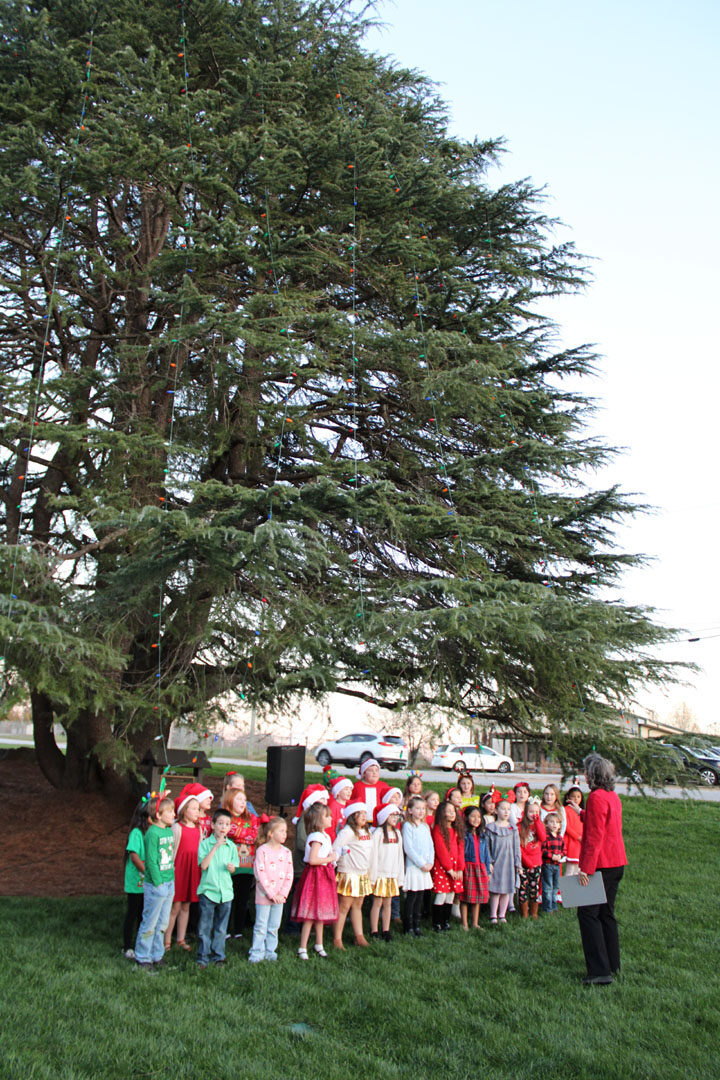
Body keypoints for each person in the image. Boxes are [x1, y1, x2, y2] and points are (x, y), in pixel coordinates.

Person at [577, 753, 627, 986]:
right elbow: (605, 824)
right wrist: (582, 814)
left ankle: (599, 971)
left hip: (601, 864)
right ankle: (612, 964)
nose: (584, 776)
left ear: (593, 775)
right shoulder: (612, 796)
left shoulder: (596, 797)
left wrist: (585, 868)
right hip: (617, 862)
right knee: (606, 913)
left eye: (587, 772)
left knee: (588, 914)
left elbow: (595, 837)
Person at [291, 802, 338, 959]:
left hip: (324, 875)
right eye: (327, 816)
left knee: (321, 912)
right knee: (311, 913)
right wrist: (330, 858)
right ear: (319, 819)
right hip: (316, 875)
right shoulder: (316, 837)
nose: (331, 818)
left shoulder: (325, 835)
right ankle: (302, 947)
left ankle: (319, 943)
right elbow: (313, 859)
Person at [134, 796, 176, 971]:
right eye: (170, 811)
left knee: (162, 923)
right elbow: (150, 861)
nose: (174, 814)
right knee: (150, 922)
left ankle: (156, 955)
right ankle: (143, 957)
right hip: (156, 885)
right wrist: (158, 883)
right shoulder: (152, 833)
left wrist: (170, 879)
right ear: (158, 815)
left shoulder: (168, 831)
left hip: (168, 883)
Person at [196, 808, 239, 968]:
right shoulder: (205, 844)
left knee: (221, 927)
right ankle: (202, 957)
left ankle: (219, 955)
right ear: (213, 825)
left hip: (226, 892)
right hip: (209, 891)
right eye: (220, 823)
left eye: (227, 824)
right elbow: (204, 865)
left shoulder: (232, 847)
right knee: (204, 927)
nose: (223, 827)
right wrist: (215, 847)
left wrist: (231, 868)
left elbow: (234, 867)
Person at [249, 815, 293, 963]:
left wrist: (282, 894)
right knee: (261, 925)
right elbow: (260, 874)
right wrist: (271, 893)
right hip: (264, 895)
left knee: (274, 925)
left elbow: (289, 875)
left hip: (279, 897)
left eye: (285, 831)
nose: (284, 834)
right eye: (281, 831)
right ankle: (257, 952)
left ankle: (270, 950)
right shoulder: (262, 851)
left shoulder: (287, 853)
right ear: (270, 833)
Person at [332, 802, 373, 948]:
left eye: (364, 813)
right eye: (359, 814)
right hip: (349, 873)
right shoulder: (348, 831)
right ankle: (337, 939)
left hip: (362, 873)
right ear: (352, 816)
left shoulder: (366, 832)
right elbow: (335, 848)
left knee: (358, 905)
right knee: (344, 906)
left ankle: (359, 936)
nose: (363, 816)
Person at [164, 793, 202, 951]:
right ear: (184, 810)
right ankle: (166, 940)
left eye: (198, 809)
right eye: (193, 808)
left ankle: (181, 938)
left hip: (192, 869)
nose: (196, 811)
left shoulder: (199, 829)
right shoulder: (177, 828)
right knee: (175, 906)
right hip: (179, 869)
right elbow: (172, 851)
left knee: (186, 906)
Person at [224, 787, 259, 938]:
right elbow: (231, 832)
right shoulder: (226, 818)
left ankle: (238, 930)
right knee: (228, 899)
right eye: (239, 799)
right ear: (230, 800)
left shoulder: (251, 818)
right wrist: (245, 834)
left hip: (247, 866)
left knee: (242, 899)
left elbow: (255, 835)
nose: (242, 802)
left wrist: (242, 835)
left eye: (244, 800)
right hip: (230, 865)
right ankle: (224, 929)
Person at [368, 805, 404, 941]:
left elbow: (400, 856)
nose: (395, 818)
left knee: (388, 903)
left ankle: (386, 929)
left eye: (397, 815)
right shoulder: (377, 834)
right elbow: (373, 856)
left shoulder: (397, 834)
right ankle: (374, 930)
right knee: (377, 903)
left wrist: (400, 877)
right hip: (380, 874)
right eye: (392, 815)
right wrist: (373, 877)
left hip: (392, 874)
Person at [401, 795, 433, 936]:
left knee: (420, 896)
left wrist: (430, 862)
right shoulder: (408, 826)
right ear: (410, 811)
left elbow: (430, 845)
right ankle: (408, 925)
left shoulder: (425, 826)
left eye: (423, 809)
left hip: (425, 867)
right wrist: (421, 863)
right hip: (414, 866)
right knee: (412, 896)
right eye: (417, 808)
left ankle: (417, 924)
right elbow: (409, 848)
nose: (421, 811)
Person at [431, 800, 465, 931]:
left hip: (456, 867)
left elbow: (461, 849)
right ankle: (437, 922)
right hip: (443, 867)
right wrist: (449, 868)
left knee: (451, 894)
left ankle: (446, 921)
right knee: (442, 894)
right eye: (449, 811)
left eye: (453, 811)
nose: (452, 814)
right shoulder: (438, 829)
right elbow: (441, 850)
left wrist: (460, 868)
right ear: (442, 813)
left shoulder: (457, 829)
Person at [122, 799, 150, 959]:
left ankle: (141, 945)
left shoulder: (151, 831)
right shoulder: (136, 833)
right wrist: (147, 873)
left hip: (147, 883)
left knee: (143, 914)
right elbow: (134, 857)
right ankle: (127, 946)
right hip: (136, 882)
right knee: (132, 913)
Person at [486, 799, 521, 925]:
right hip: (496, 862)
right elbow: (487, 847)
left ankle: (502, 914)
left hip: (509, 862)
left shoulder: (513, 829)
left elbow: (517, 847)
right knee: (495, 889)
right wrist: (489, 862)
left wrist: (518, 864)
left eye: (508, 809)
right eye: (503, 809)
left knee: (507, 889)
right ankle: (493, 914)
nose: (506, 812)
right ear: (496, 810)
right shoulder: (490, 828)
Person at [461, 805, 490, 930]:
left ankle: (475, 922)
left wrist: (487, 870)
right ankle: (464, 923)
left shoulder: (482, 835)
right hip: (468, 866)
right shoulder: (464, 834)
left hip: (480, 866)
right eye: (473, 816)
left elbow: (486, 854)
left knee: (477, 896)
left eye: (478, 817)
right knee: (465, 896)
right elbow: (461, 851)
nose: (476, 819)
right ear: (467, 818)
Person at [517, 797, 547, 920]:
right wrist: (527, 862)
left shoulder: (538, 825)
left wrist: (538, 822)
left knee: (534, 888)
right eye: (531, 812)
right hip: (524, 863)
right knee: (523, 888)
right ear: (525, 812)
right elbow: (519, 847)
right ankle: (524, 913)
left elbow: (542, 838)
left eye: (536, 812)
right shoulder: (519, 827)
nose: (533, 814)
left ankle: (534, 912)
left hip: (536, 863)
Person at [541, 811, 566, 912]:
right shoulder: (546, 837)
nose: (554, 824)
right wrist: (552, 856)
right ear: (546, 824)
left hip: (557, 866)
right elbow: (542, 850)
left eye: (557, 822)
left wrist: (560, 855)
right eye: (551, 822)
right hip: (548, 865)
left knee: (556, 886)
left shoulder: (560, 838)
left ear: (560, 825)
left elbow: (564, 850)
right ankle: (547, 908)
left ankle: (554, 905)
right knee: (548, 887)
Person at [562, 786, 584, 877]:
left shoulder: (581, 811)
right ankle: (567, 890)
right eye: (573, 796)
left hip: (580, 843)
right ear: (568, 797)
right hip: (571, 842)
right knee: (570, 869)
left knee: (579, 869)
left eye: (578, 797)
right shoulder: (566, 810)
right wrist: (577, 836)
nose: (576, 799)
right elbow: (566, 826)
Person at [327, 776, 353, 841]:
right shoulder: (333, 806)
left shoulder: (349, 805)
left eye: (350, 789)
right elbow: (330, 827)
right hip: (337, 838)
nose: (349, 792)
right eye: (346, 789)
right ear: (338, 792)